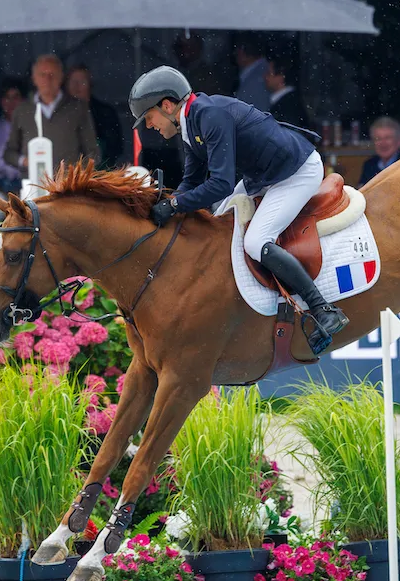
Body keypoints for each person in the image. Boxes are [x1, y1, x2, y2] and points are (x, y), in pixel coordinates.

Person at [128, 65, 347, 354]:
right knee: (219, 224)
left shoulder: (209, 115)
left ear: (167, 105)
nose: (149, 125)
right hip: (262, 177)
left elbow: (219, 185)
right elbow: (192, 181)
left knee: (255, 241)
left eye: (149, 117)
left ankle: (322, 309)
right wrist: (166, 205)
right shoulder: (190, 121)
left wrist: (175, 205)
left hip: (295, 173)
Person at [3, 54, 101, 177]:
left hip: (68, 187)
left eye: (52, 75)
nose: (47, 80)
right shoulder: (22, 110)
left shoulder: (77, 108)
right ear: (34, 78)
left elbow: (93, 152)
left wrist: (77, 173)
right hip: (34, 185)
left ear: (61, 77)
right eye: (42, 75)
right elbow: (9, 153)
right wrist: (25, 161)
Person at [65, 64, 124, 168]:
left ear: (90, 84)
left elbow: (115, 147)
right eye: (73, 82)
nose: (77, 86)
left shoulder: (106, 112)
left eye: (82, 82)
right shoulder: (61, 114)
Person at [0, 78, 25, 195]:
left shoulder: (31, 128)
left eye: (15, 97)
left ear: (23, 101)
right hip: (0, 184)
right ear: (2, 101)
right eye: (7, 98)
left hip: (25, 183)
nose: (11, 102)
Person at [359, 117, 400, 187]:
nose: (383, 143)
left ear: (399, 141)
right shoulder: (369, 165)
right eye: (378, 139)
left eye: (388, 138)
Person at [264, 58, 310, 129]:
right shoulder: (291, 100)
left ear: (281, 77)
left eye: (269, 73)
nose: (265, 77)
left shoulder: (288, 105)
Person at [232, 37, 270, 112]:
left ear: (242, 51)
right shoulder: (261, 71)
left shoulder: (258, 78)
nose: (234, 54)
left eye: (236, 51)